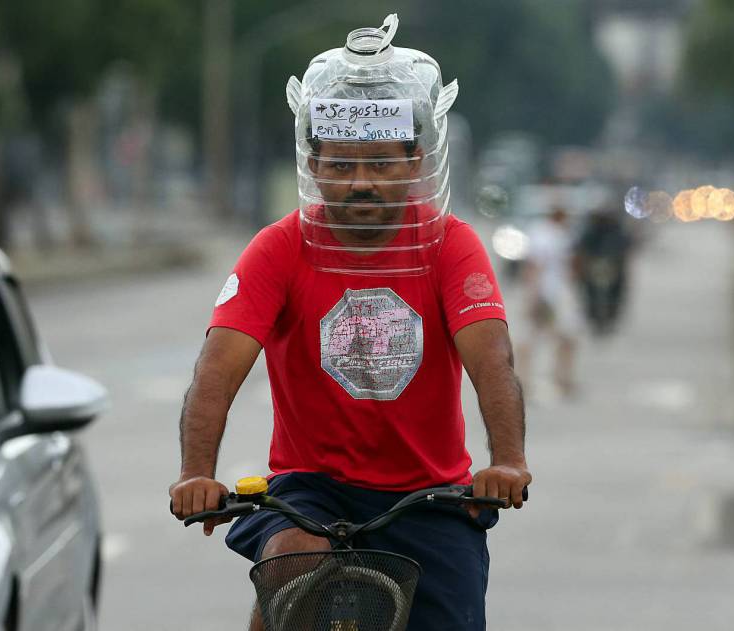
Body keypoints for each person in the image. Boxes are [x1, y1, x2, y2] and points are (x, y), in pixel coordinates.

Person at [168, 15, 531, 631]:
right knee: (290, 563)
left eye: (381, 166)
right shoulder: (279, 247)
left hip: (430, 496)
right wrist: (197, 473)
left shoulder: (450, 245)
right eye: (339, 167)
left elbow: (490, 358)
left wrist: (509, 461)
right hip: (310, 491)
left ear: (415, 159)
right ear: (313, 161)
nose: (360, 183)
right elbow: (218, 367)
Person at [518, 207, 581, 396]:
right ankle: (559, 379)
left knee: (538, 336)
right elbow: (535, 266)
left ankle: (528, 381)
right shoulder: (550, 235)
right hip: (551, 294)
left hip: (551, 293)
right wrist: (533, 296)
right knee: (561, 337)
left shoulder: (542, 232)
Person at [575, 207, 631, 335]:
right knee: (590, 291)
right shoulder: (591, 231)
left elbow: (624, 248)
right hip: (595, 266)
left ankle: (609, 315)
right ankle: (595, 317)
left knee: (616, 290)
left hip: (611, 266)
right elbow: (582, 249)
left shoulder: (615, 231)